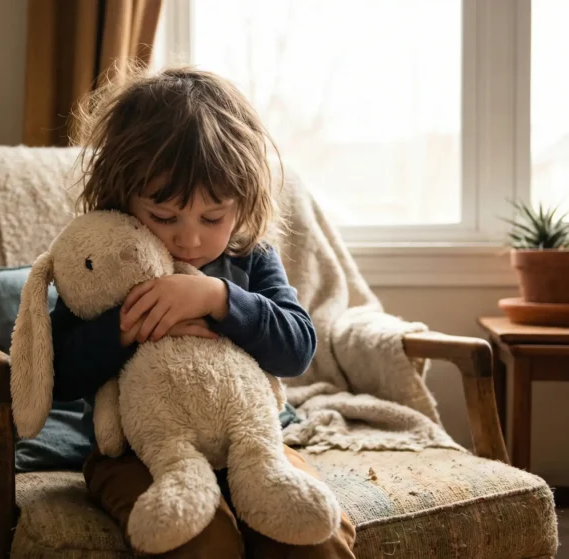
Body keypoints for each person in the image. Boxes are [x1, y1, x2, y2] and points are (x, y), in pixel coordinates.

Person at [50, 65, 356, 559]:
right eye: (164, 217)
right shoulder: (105, 261)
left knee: (313, 536)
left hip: (250, 445)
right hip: (135, 456)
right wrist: (127, 327)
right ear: (122, 195)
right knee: (198, 540)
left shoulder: (249, 255)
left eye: (212, 217)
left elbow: (297, 348)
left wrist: (218, 298)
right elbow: (58, 375)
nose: (189, 238)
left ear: (243, 203)